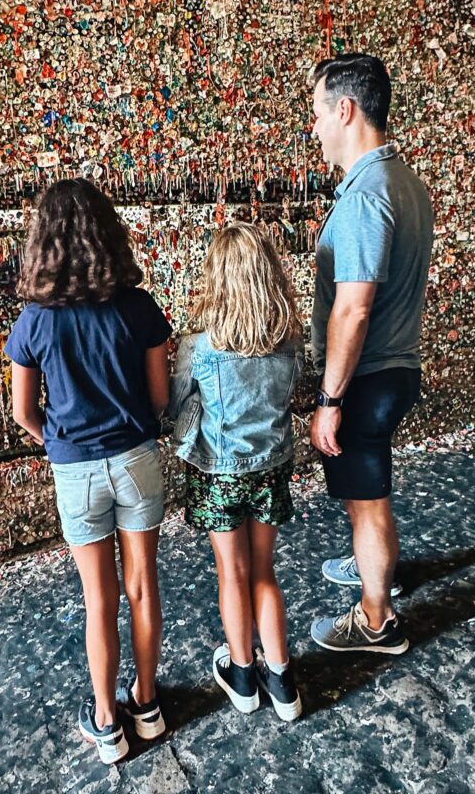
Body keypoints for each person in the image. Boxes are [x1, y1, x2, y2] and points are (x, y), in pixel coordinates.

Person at [5, 178, 170, 765]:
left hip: (75, 470)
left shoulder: (34, 321)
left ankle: (107, 721)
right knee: (142, 586)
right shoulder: (140, 308)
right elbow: (157, 398)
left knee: (98, 599)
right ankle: (147, 707)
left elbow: (24, 411)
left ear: (42, 241)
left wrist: (58, 442)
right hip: (136, 460)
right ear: (108, 232)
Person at [308, 53, 434, 654]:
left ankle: (377, 619)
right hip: (395, 366)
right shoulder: (406, 183)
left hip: (367, 377)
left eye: (317, 114)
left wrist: (330, 399)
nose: (316, 130)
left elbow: (353, 309)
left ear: (346, 109)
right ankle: (373, 569)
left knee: (367, 501)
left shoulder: (365, 196)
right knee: (370, 493)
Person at [169, 223, 305, 721]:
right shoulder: (289, 342)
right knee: (265, 572)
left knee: (233, 572)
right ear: (268, 276)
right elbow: (293, 397)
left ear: (218, 278)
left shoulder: (197, 347)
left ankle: (244, 677)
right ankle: (284, 684)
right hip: (270, 469)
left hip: (217, 476)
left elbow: (177, 407)